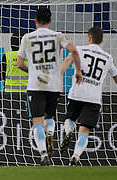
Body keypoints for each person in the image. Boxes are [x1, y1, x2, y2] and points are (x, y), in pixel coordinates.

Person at [16, 8, 82, 165]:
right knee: (50, 117)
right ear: (50, 21)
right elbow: (73, 50)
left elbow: (19, 63)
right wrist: (78, 70)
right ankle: (50, 132)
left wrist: (32, 71)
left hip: (35, 85)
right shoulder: (58, 36)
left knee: (37, 122)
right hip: (54, 85)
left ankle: (44, 154)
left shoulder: (27, 37)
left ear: (35, 20)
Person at [60, 26, 117, 166]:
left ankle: (68, 132)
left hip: (77, 93)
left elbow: (66, 63)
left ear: (89, 38)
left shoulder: (79, 49)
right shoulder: (107, 57)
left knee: (70, 119)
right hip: (94, 98)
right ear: (102, 40)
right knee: (84, 130)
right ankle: (75, 155)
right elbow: (116, 77)